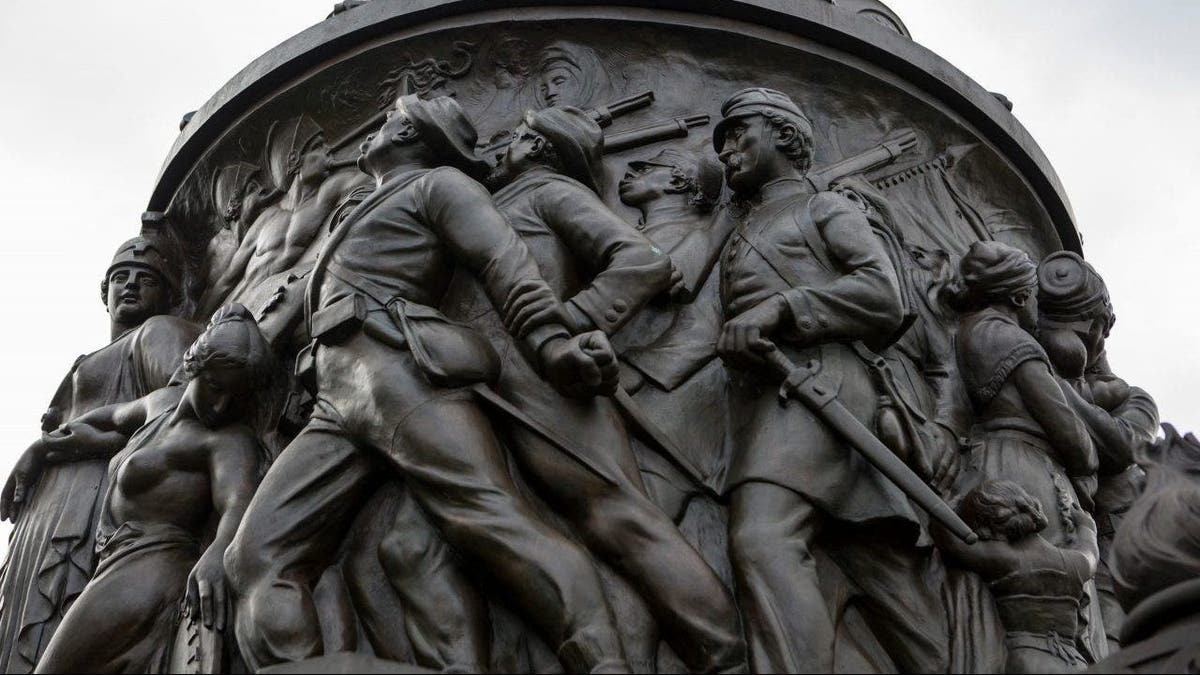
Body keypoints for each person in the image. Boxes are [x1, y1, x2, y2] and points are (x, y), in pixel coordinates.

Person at [224, 94, 633, 673]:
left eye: (389, 120)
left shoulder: (439, 185)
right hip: (336, 396)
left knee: (487, 517)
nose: (372, 131)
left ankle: (603, 661)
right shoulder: (363, 206)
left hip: (398, 368)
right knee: (256, 555)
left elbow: (502, 262)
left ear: (415, 134)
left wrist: (550, 342)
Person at [485, 107, 745, 673]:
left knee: (618, 516)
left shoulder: (547, 189)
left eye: (513, 137)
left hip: (536, 374)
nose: (499, 146)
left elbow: (646, 263)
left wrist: (568, 328)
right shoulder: (486, 198)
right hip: (468, 377)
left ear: (537, 147)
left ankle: (723, 652)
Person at [712, 87, 947, 673]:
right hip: (767, 397)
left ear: (786, 136)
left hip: (819, 385)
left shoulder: (826, 208)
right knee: (890, 584)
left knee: (764, 540)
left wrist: (783, 309)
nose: (727, 150)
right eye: (723, 141)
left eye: (742, 133)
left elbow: (882, 294)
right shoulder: (742, 228)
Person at [33, 304, 272, 674]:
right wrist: (45, 446)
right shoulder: (160, 405)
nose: (221, 405)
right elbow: (109, 420)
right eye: (215, 386)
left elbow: (238, 504)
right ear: (196, 364)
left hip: (153, 568)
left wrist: (215, 556)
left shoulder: (227, 441)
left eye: (234, 396)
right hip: (114, 562)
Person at [0, 236, 200, 674]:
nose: (129, 286)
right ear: (103, 292)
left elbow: (182, 409)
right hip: (46, 510)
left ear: (170, 296)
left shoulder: (158, 332)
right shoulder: (86, 358)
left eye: (146, 279)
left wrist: (50, 446)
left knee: (69, 628)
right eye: (119, 278)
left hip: (100, 498)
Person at [1035, 250, 1159, 650]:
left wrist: (1048, 388)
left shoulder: (1136, 401)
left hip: (1128, 553)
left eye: (1098, 330)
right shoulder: (1047, 371)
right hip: (1078, 541)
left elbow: (1122, 446)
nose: (1094, 338)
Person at [952, 241, 1097, 548]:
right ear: (1019, 297)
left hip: (984, 466)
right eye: (1035, 296)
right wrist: (1090, 456)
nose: (1038, 308)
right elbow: (1071, 436)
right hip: (1026, 471)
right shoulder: (1015, 340)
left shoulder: (967, 330)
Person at [613, 146, 730, 517]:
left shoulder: (712, 244)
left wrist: (634, 371)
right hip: (601, 393)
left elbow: (710, 322)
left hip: (658, 413)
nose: (628, 170)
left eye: (643, 164)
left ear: (679, 180)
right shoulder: (627, 235)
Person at [933, 480, 1098, 673]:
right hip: (1074, 663)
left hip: (1028, 659)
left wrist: (947, 504)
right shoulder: (1074, 563)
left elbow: (948, 540)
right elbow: (1091, 553)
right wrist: (1087, 527)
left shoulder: (1004, 559)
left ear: (988, 528)